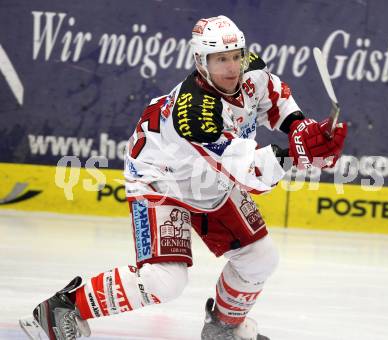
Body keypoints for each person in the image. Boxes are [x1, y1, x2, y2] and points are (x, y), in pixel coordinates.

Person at [20, 15, 347, 340]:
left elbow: (274, 98)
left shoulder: (250, 68)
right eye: (221, 60)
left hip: (208, 179)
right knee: (165, 281)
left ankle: (223, 329)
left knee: (260, 259)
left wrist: (303, 129)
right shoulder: (194, 111)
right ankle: (64, 308)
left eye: (236, 56)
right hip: (161, 181)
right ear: (201, 62)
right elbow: (249, 173)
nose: (232, 68)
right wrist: (299, 154)